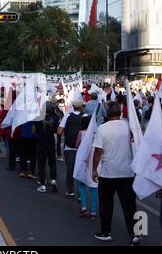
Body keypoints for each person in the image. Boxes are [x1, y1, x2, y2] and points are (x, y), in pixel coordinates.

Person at [92, 101, 140, 246]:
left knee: (106, 204)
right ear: (120, 112)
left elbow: (98, 151)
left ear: (107, 114)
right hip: (127, 172)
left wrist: (94, 169)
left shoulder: (102, 128)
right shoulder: (129, 126)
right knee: (130, 206)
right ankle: (136, 235)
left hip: (108, 173)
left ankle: (106, 232)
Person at [58, 99, 84, 198]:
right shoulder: (85, 117)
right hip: (82, 148)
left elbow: (59, 131)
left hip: (69, 147)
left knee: (70, 170)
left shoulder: (67, 116)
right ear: (81, 107)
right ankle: (80, 194)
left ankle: (70, 190)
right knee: (81, 171)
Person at [76, 114, 98, 220]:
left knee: (81, 183)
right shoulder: (96, 133)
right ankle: (93, 211)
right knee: (94, 186)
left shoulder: (81, 133)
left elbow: (77, 145)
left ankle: (84, 207)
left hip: (83, 160)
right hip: (94, 161)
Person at [35, 101, 59, 193]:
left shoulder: (38, 118)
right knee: (52, 162)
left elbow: (34, 130)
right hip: (51, 142)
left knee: (41, 163)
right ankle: (53, 180)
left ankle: (42, 184)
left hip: (41, 142)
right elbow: (56, 130)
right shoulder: (56, 118)